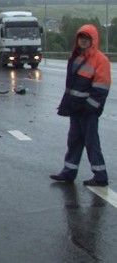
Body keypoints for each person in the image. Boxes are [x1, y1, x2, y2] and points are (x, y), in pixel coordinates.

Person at [50, 24, 111, 186]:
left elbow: (102, 87)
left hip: (88, 110)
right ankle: (68, 173)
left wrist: (89, 108)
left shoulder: (100, 59)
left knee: (91, 142)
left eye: (87, 39)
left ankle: (100, 176)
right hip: (76, 108)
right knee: (74, 141)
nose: (83, 41)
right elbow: (71, 86)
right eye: (81, 38)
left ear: (93, 40)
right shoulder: (76, 56)